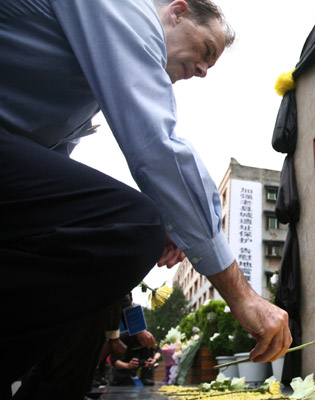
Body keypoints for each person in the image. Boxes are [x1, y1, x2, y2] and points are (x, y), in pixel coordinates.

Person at [0, 0, 292, 397]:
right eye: (207, 50)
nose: (204, 70)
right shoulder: (125, 9)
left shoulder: (88, 71)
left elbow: (44, 173)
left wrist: (172, 216)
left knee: (107, 247)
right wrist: (241, 296)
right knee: (130, 225)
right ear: (177, 11)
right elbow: (157, 148)